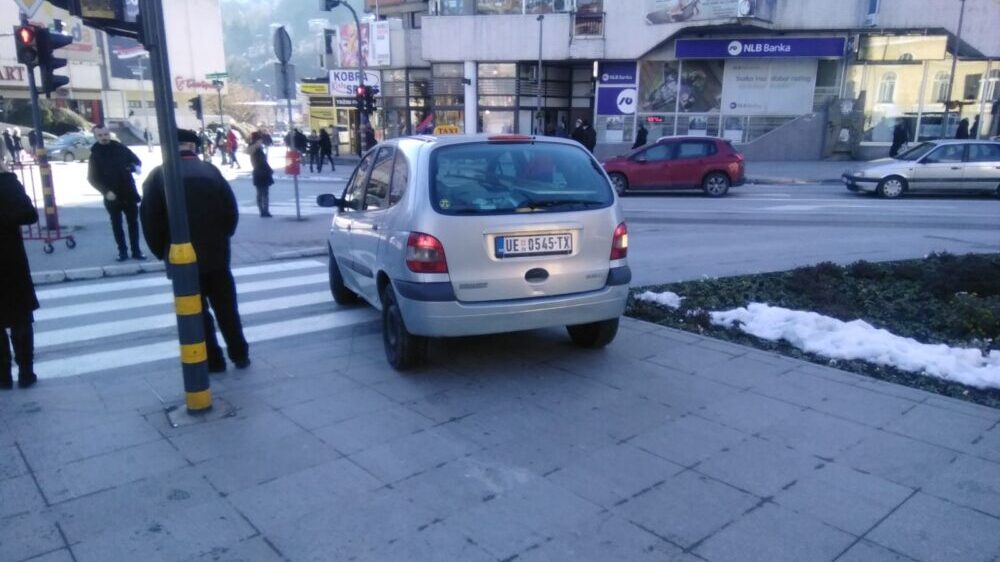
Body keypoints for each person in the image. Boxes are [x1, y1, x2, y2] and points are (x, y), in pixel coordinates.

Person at [140, 129, 250, 373]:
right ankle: (239, 353)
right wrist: (222, 239)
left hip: (182, 260)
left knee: (196, 312)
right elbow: (231, 212)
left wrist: (163, 251)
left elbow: (150, 220)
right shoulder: (212, 172)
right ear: (193, 147)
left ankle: (213, 360)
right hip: (217, 256)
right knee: (227, 308)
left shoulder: (159, 176)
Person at [0, 163, 39, 389]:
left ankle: (4, 376)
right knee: (20, 318)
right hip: (10, 258)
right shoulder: (7, 182)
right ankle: (25, 372)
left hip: (10, 258)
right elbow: (29, 214)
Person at [88, 126, 146, 262]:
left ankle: (136, 251)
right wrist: (105, 192)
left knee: (133, 223)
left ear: (110, 134)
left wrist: (133, 168)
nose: (104, 137)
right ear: (96, 137)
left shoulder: (121, 148)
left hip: (128, 192)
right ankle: (122, 252)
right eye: (100, 135)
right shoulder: (95, 154)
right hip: (111, 195)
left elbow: (137, 161)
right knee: (116, 224)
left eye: (106, 134)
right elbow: (92, 178)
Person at [248, 132, 273, 218]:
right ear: (257, 140)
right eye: (260, 139)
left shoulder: (254, 149)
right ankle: (264, 211)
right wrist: (269, 170)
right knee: (264, 193)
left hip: (258, 172)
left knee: (260, 193)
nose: (261, 141)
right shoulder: (257, 150)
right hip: (262, 173)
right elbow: (262, 162)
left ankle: (262, 211)